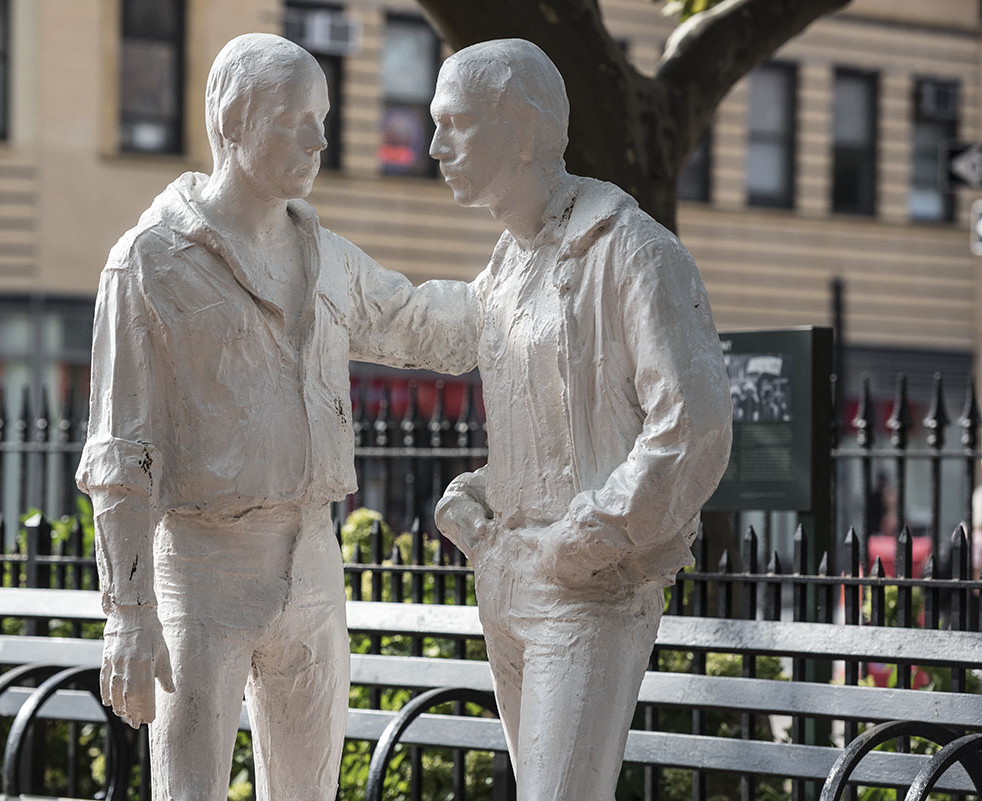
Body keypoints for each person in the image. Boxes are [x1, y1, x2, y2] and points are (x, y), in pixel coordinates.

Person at [76, 33, 477, 801]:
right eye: (295, 116)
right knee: (188, 790)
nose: (318, 137)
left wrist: (526, 280)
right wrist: (128, 612)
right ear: (233, 120)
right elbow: (121, 450)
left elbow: (423, 321)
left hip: (315, 559)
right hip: (202, 567)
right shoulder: (149, 262)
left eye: (322, 117)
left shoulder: (327, 257)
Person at [431, 39, 733, 801]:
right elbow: (549, 434)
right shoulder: (501, 271)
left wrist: (593, 533)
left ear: (525, 129)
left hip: (590, 588)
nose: (436, 145)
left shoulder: (632, 251)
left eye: (458, 123)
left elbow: (692, 427)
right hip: (507, 579)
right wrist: (482, 492)